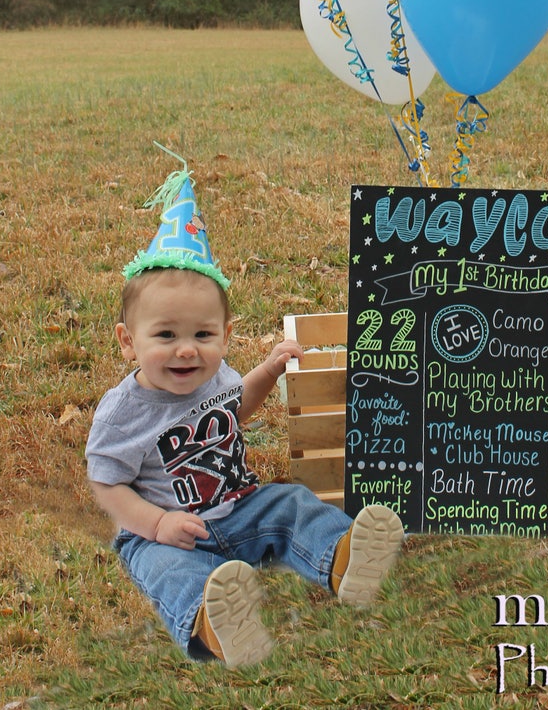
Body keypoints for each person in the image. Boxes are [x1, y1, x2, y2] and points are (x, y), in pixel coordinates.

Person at [86, 152, 404, 667]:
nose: (186, 350)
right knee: (171, 573)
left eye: (203, 335)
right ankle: (217, 624)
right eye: (165, 335)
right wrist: (155, 524)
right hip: (167, 531)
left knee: (292, 504)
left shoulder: (218, 374)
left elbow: (236, 409)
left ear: (226, 336)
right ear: (128, 341)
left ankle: (345, 559)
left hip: (240, 508)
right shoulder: (123, 412)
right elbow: (107, 484)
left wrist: (270, 371)